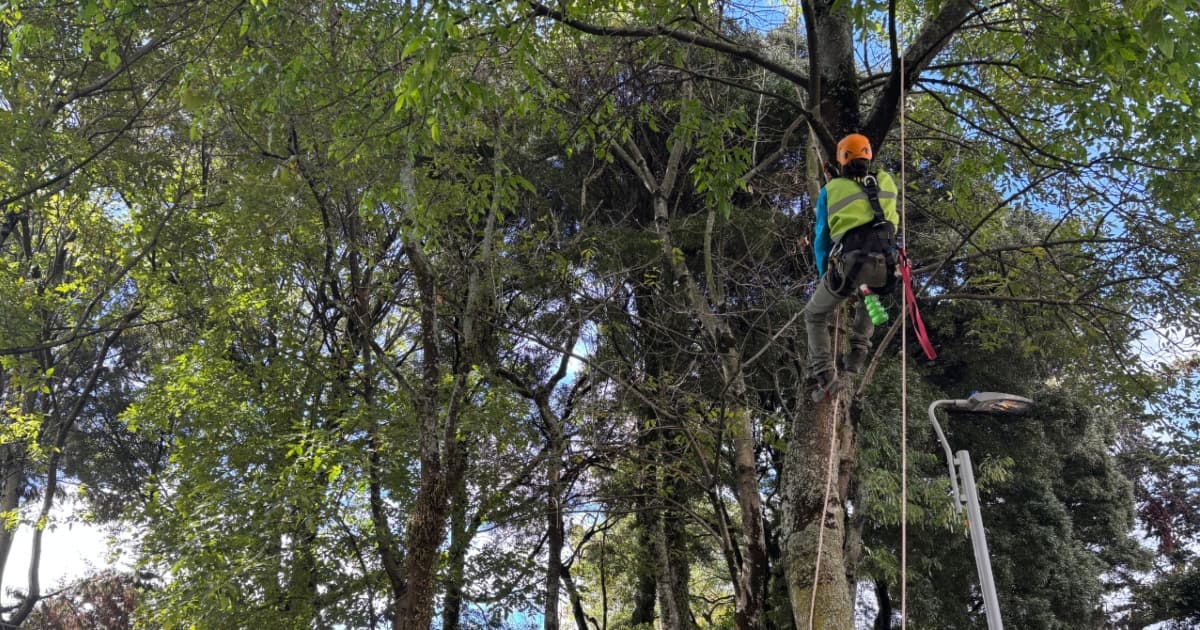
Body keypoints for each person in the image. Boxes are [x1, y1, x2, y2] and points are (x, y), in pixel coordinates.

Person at [804, 133, 900, 398]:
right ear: (868, 156)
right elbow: (873, 205)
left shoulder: (831, 191)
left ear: (842, 159)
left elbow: (822, 238)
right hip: (888, 266)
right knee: (868, 290)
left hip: (850, 265)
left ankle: (824, 373)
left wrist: (825, 274)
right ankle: (858, 351)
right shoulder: (888, 182)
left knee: (814, 314)